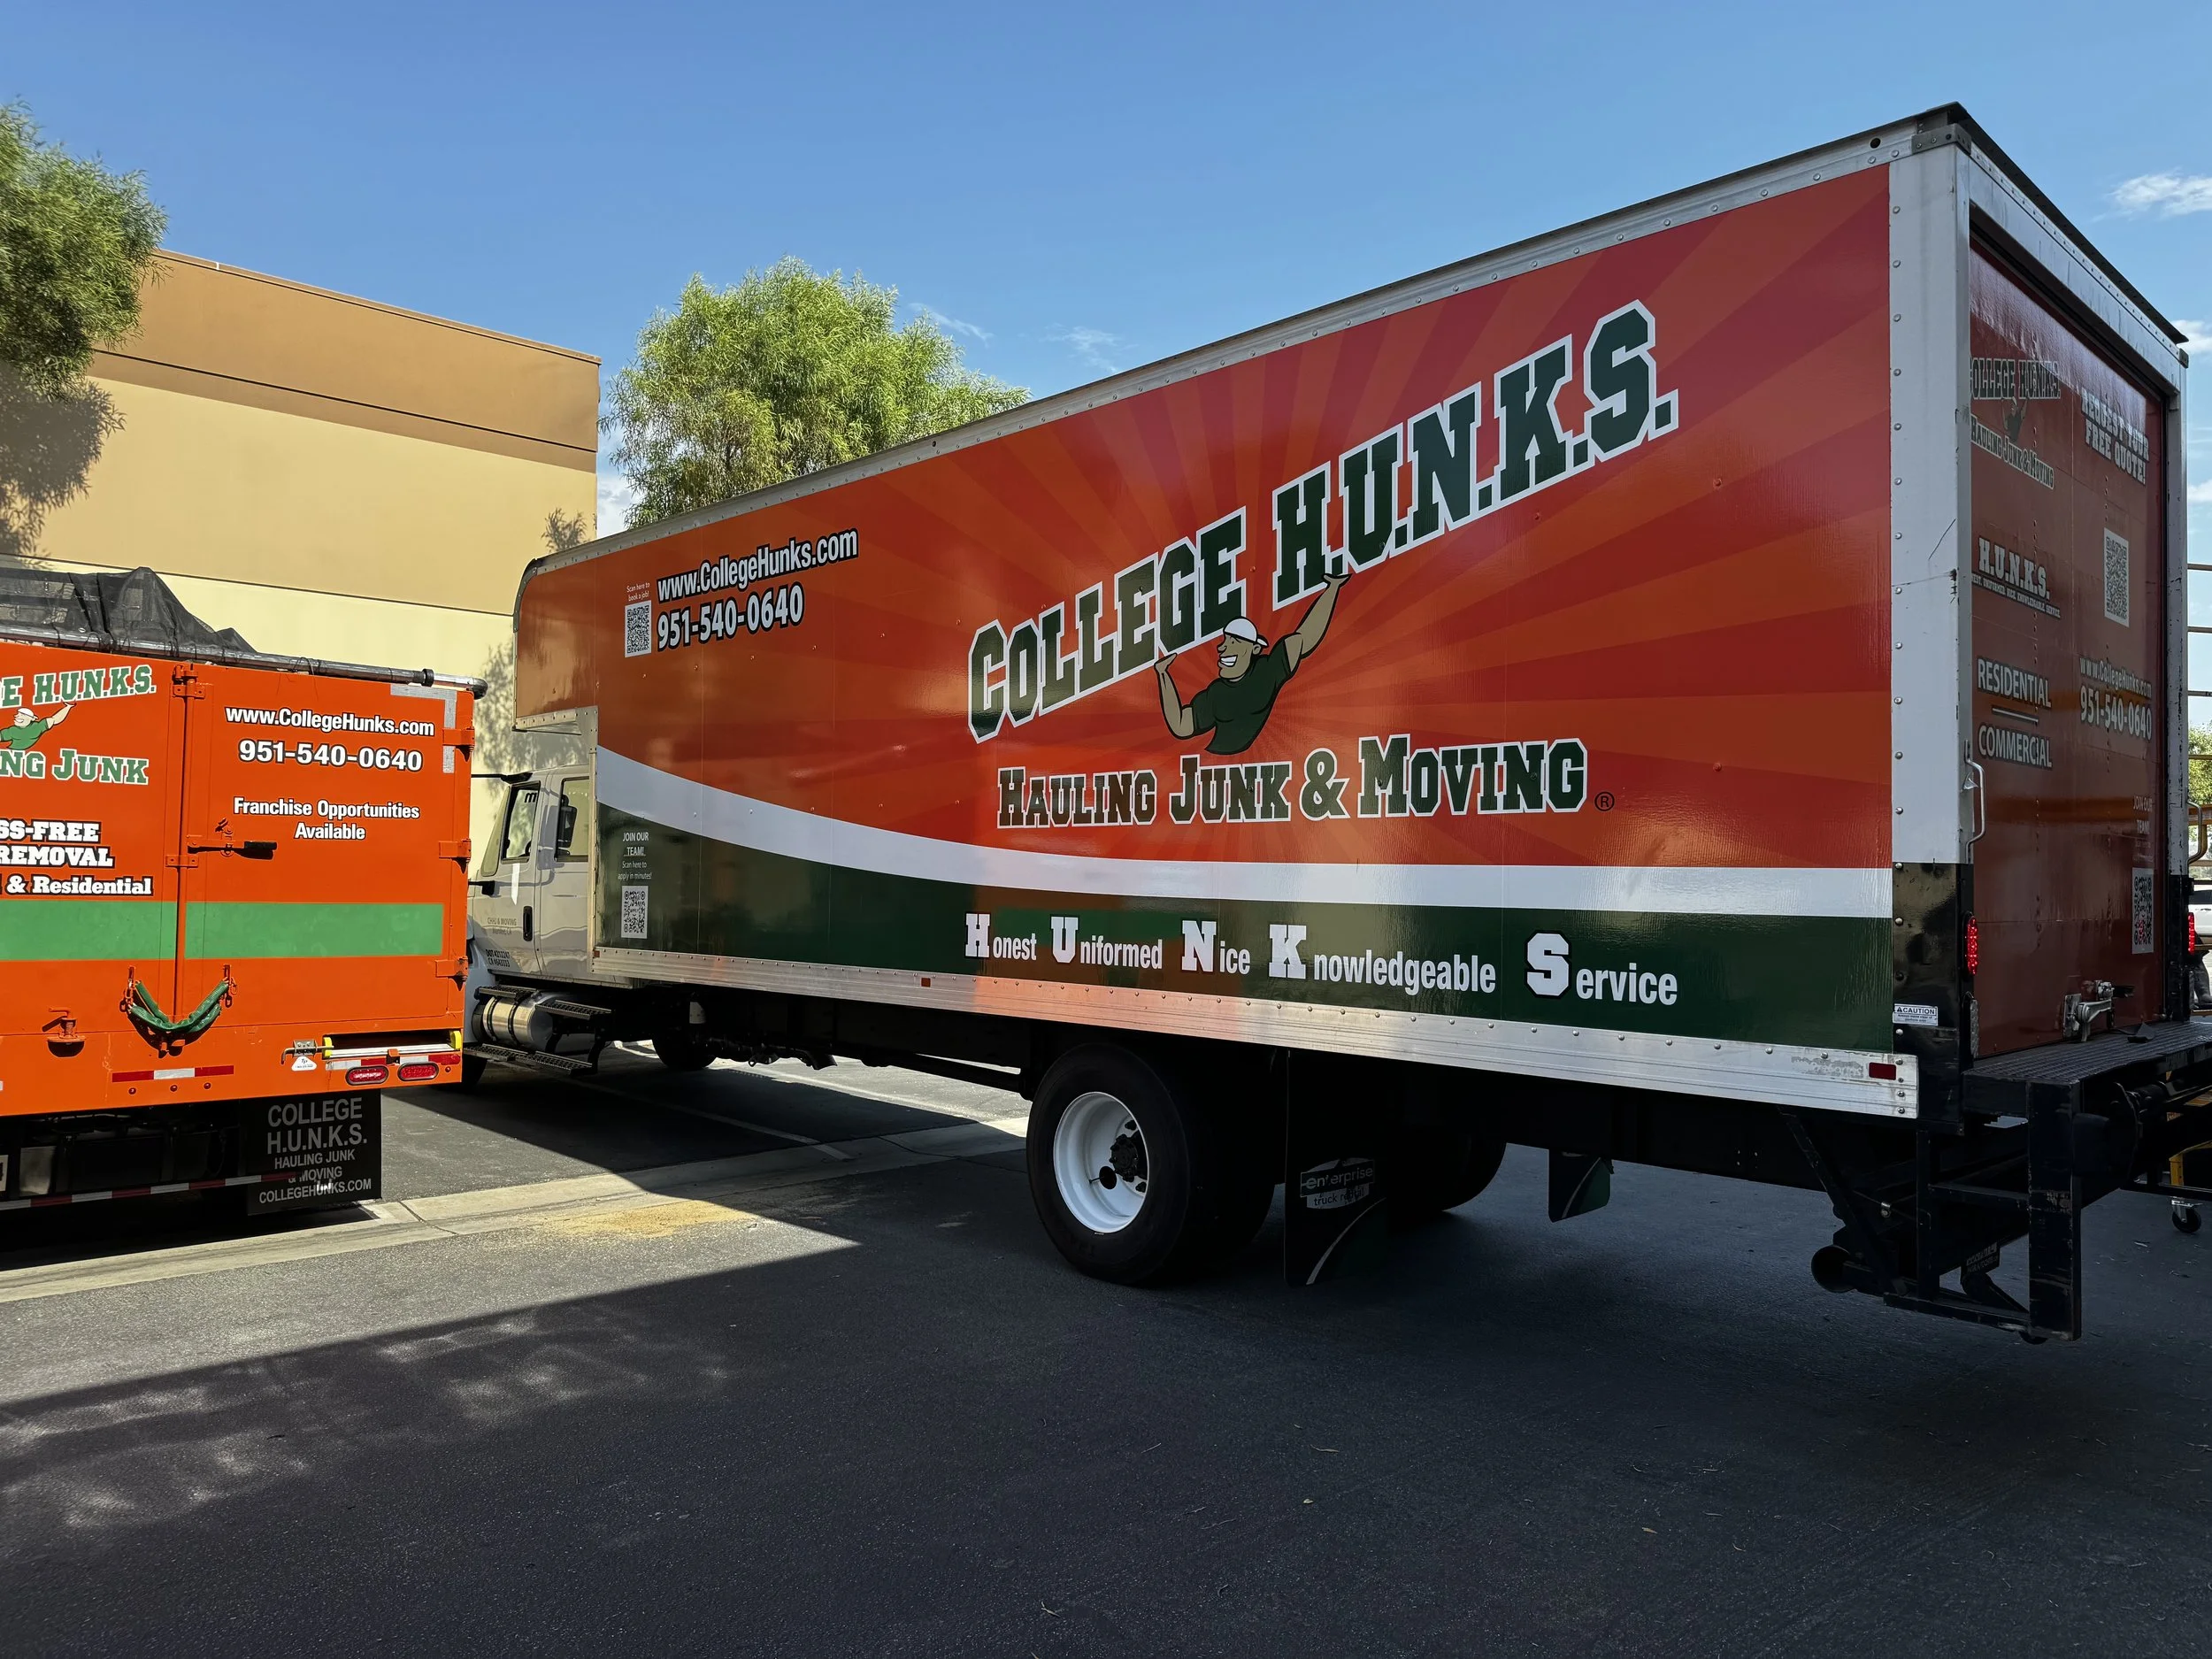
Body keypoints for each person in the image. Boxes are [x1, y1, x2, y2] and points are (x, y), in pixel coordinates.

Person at [1155, 567, 1348, 755]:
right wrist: (1163, 674)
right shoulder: (1216, 693)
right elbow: (1180, 725)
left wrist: (1332, 589)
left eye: (1234, 641)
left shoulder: (1267, 671)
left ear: (1255, 648)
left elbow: (1303, 637)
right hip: (1212, 766)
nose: (1222, 647)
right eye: (1225, 640)